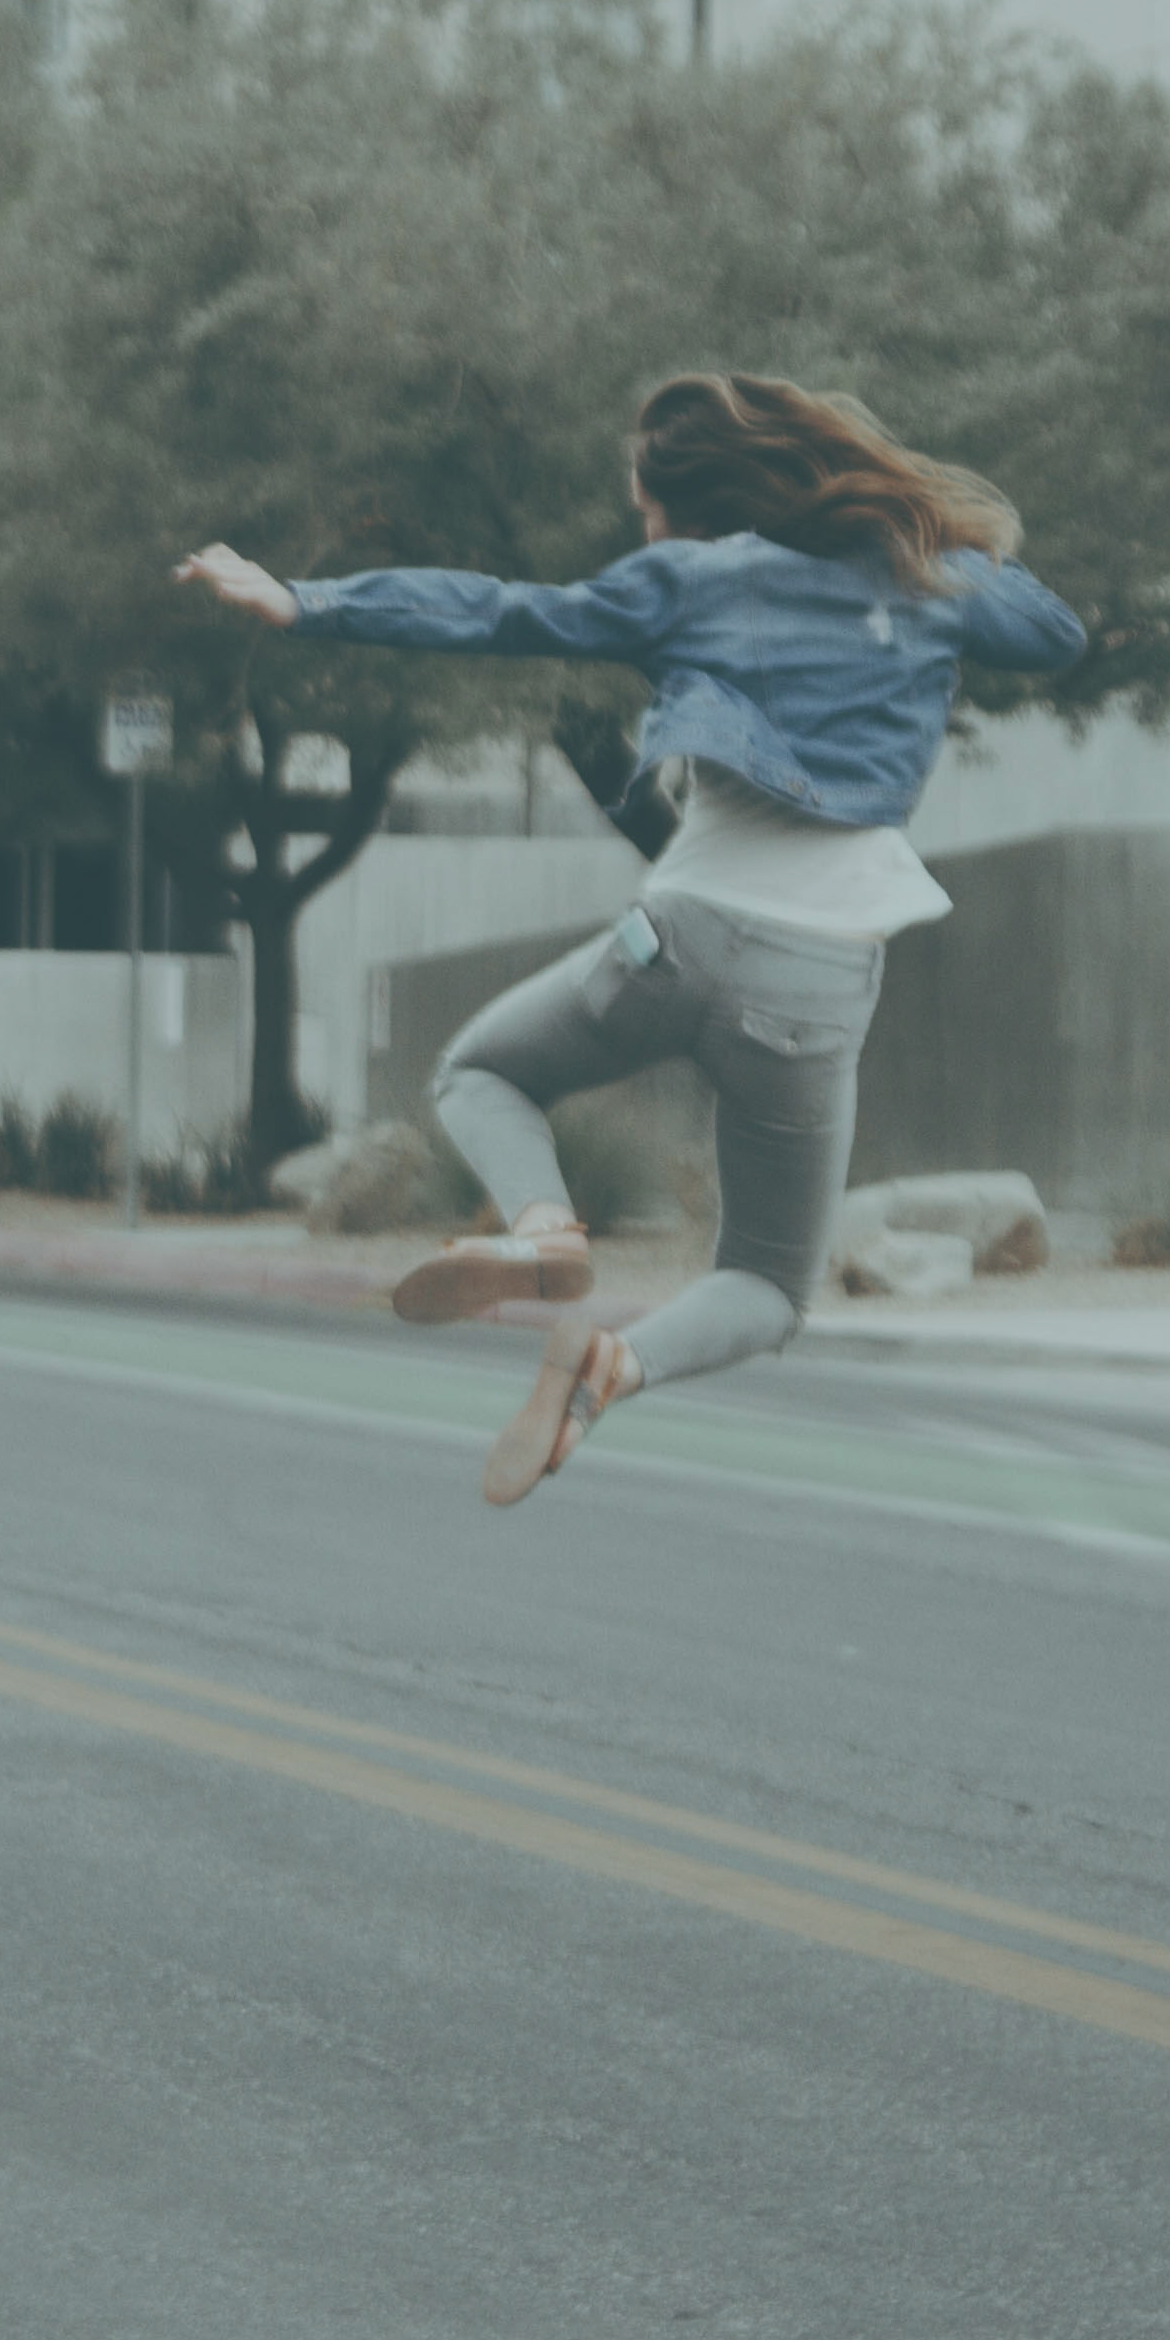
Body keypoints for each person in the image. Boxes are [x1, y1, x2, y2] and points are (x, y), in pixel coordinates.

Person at [176, 372, 1086, 1504]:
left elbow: (497, 611)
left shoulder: (687, 579)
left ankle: (545, 1228)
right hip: (815, 989)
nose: (642, 523)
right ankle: (617, 1366)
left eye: (646, 502)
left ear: (688, 503)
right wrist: (928, 543)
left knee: (483, 1071)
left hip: (679, 940)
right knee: (766, 1287)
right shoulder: (921, 578)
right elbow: (1056, 635)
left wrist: (307, 602)